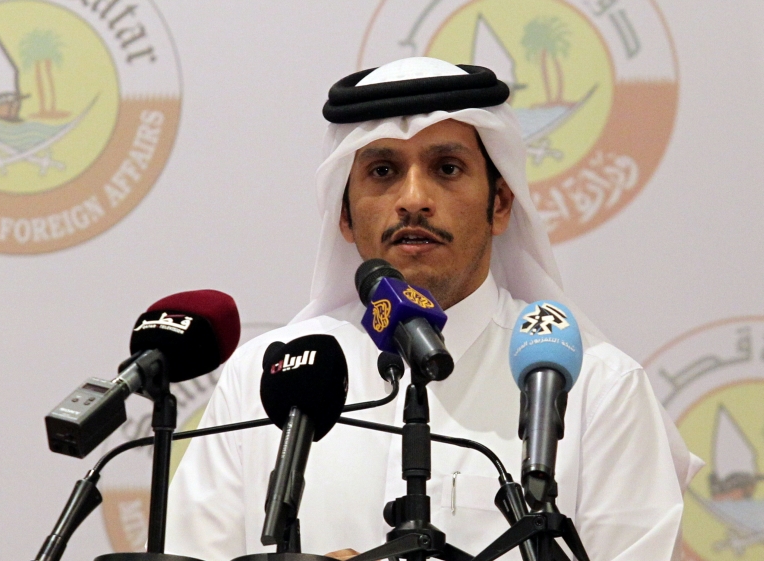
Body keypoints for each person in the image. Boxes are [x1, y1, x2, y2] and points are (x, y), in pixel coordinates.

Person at [163, 57, 700, 561]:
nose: (414, 198)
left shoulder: (595, 389)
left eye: (446, 168)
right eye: (381, 171)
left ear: (501, 204)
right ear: (345, 218)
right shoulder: (262, 382)